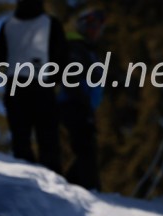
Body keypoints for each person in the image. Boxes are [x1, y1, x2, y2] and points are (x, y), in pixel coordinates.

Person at [0, 0, 67, 172]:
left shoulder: (8, 24)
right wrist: (55, 78)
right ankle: (51, 174)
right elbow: (62, 55)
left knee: (20, 137)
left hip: (15, 84)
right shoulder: (50, 23)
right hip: (41, 82)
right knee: (47, 136)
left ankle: (24, 174)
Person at [58, 8, 106, 190]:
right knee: (86, 148)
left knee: (87, 148)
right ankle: (91, 188)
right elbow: (70, 75)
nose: (95, 31)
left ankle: (71, 186)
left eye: (98, 28)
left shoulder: (89, 51)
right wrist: (80, 99)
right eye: (92, 26)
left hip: (85, 105)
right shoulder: (75, 47)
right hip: (74, 103)